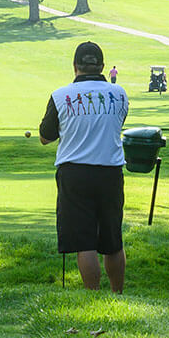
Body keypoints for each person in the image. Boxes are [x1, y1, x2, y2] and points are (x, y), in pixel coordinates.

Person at [38, 41, 130, 293]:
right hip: (110, 171)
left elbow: (46, 137)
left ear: (75, 66)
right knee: (112, 240)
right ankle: (117, 295)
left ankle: (93, 296)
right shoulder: (120, 93)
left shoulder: (60, 95)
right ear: (101, 66)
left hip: (75, 173)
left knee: (84, 241)